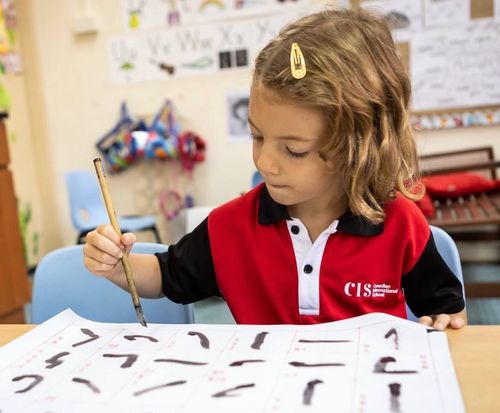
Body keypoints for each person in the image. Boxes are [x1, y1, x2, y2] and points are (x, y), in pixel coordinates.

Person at [84, 7, 466, 330]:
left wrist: (445, 322)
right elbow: (167, 276)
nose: (266, 162)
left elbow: (447, 311)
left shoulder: (400, 224)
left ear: (360, 146)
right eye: (257, 136)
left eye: (294, 150)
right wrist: (119, 266)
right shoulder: (230, 227)